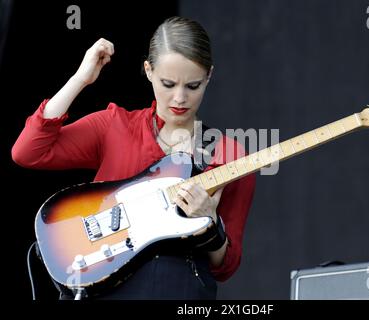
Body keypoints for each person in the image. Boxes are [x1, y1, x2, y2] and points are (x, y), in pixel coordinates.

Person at [12, 16, 256, 300]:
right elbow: (28, 152)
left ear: (209, 77)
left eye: (193, 86)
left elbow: (224, 266)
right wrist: (80, 78)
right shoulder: (115, 126)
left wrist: (210, 221)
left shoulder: (229, 155)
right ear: (148, 70)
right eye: (167, 83)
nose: (179, 98)